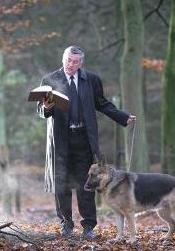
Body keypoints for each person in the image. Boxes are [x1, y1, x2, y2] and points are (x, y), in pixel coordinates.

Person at [37, 45, 136, 239]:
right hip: (60, 141)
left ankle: (89, 226)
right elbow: (42, 111)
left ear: (81, 63)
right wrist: (47, 107)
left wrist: (123, 117)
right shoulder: (49, 80)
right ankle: (66, 224)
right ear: (63, 58)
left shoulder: (91, 80)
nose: (71, 65)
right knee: (61, 184)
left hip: (84, 140)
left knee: (87, 184)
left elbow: (102, 103)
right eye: (68, 60)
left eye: (75, 62)